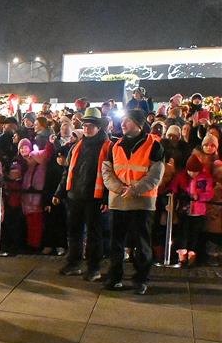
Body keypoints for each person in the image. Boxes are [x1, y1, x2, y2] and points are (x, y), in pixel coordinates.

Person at [101, 108, 164, 294]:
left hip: (142, 202)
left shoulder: (154, 146)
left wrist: (134, 189)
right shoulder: (114, 145)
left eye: (127, 120)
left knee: (142, 244)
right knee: (116, 242)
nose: (123, 123)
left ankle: (141, 279)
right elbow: (107, 172)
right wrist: (120, 189)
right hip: (119, 201)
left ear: (138, 124)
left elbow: (155, 175)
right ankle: (115, 277)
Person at [53, 108, 111, 281]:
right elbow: (67, 172)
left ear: (99, 127)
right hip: (75, 196)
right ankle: (74, 264)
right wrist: (60, 192)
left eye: (91, 126)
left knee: (94, 235)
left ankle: (93, 268)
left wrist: (106, 198)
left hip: (94, 198)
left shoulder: (108, 147)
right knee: (74, 232)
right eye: (85, 125)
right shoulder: (76, 147)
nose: (87, 129)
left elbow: (110, 176)